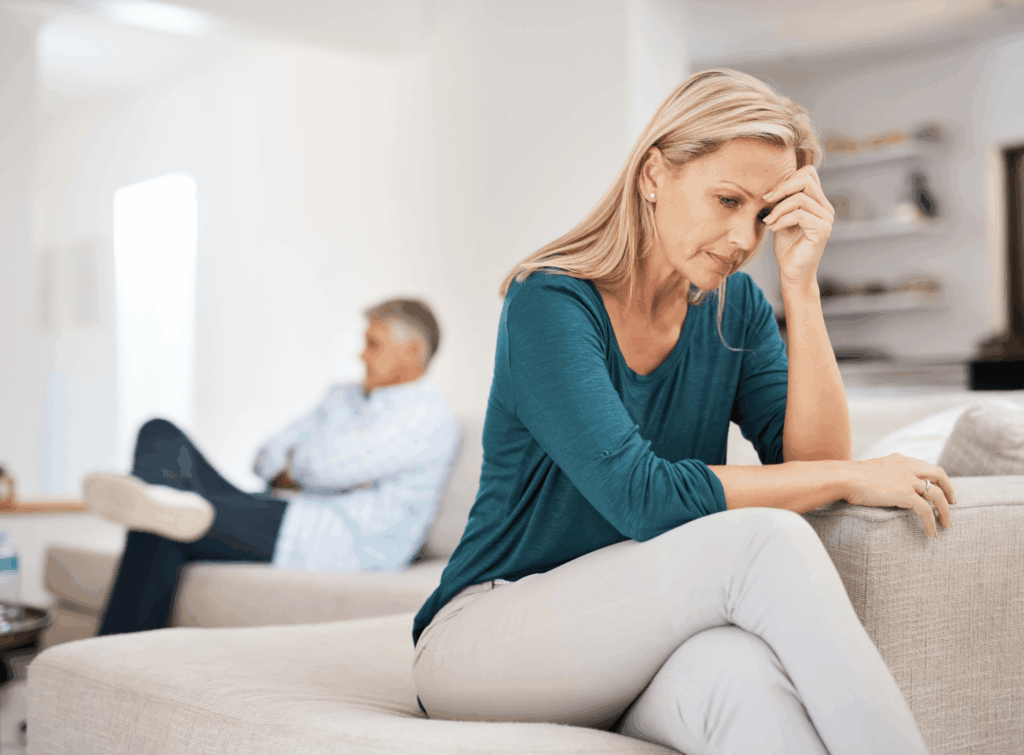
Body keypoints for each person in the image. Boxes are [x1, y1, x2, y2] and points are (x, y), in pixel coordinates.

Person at [410, 69, 951, 755]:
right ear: (654, 175)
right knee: (767, 540)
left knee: (742, 675)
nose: (741, 237)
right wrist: (853, 477)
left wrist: (801, 288)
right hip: (483, 638)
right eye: (726, 199)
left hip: (628, 635)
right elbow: (642, 497)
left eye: (760, 214)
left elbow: (814, 469)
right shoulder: (549, 302)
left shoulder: (739, 310)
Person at [86, 298, 459, 636]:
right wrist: (311, 470)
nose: (361, 355)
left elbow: (325, 467)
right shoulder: (342, 395)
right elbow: (266, 457)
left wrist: (303, 464)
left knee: (163, 525)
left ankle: (157, 504)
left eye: (373, 344)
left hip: (331, 539)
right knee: (160, 432)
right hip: (281, 506)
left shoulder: (428, 418)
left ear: (412, 352)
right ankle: (158, 496)